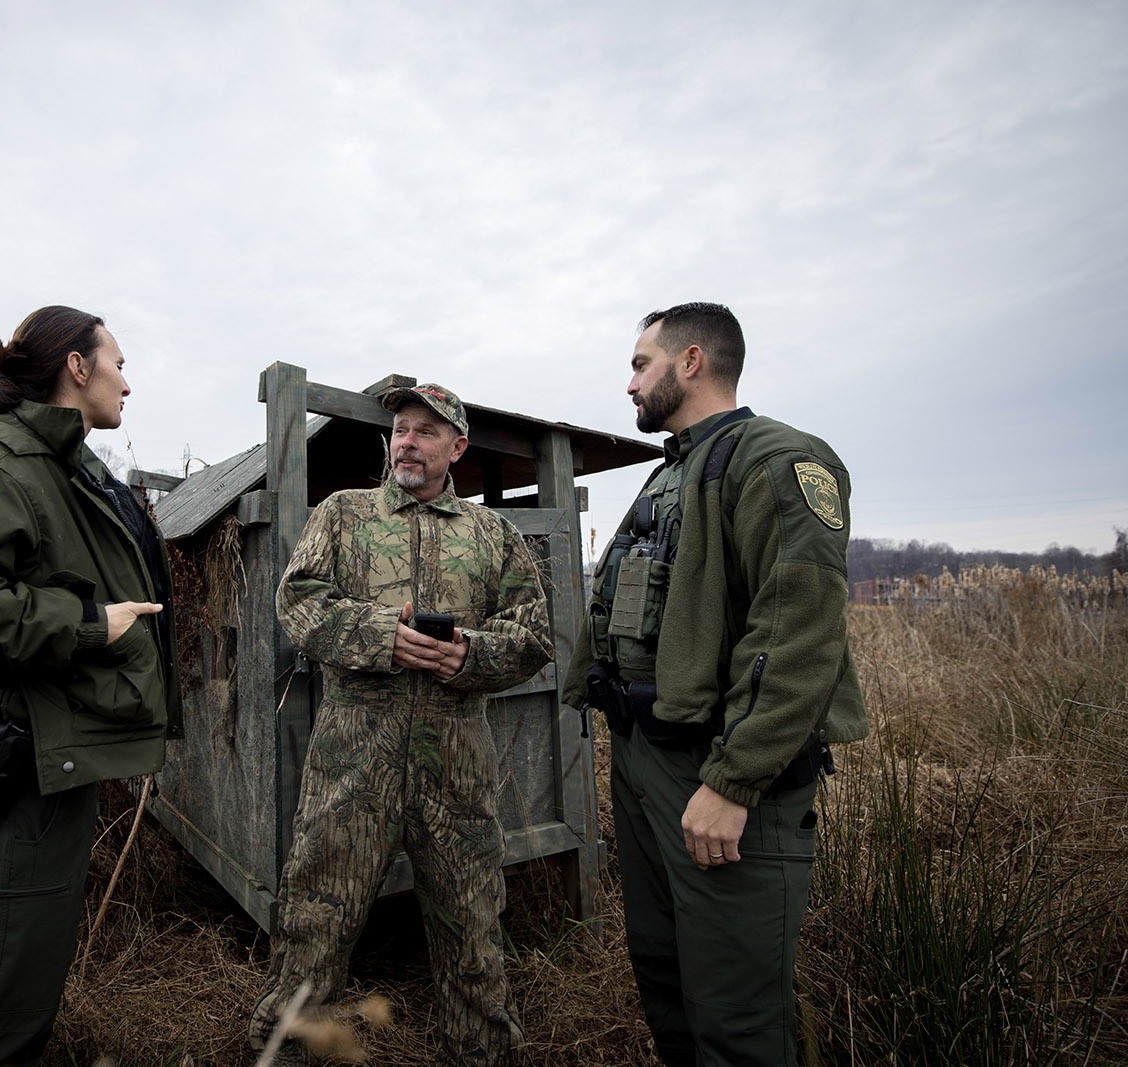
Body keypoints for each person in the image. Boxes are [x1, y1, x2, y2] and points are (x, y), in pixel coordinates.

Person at [563, 302, 869, 1066]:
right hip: (649, 763)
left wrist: (733, 782)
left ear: (691, 361)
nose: (629, 382)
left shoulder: (777, 460)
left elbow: (796, 633)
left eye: (641, 364)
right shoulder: (675, 470)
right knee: (667, 987)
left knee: (736, 1020)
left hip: (722, 777)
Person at [0, 305, 181, 1067]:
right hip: (19, 778)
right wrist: (86, 622)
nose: (128, 380)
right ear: (75, 368)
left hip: (54, 767)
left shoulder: (64, 463)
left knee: (20, 1000)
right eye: (117, 360)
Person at [248, 383, 554, 1067]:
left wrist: (467, 652)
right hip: (353, 767)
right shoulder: (345, 515)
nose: (408, 441)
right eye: (401, 430)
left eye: (425, 430)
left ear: (457, 446)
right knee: (314, 923)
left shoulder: (490, 533)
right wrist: (380, 636)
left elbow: (533, 634)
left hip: (456, 769)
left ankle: (482, 1055)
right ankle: (284, 1054)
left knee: (473, 928)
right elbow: (298, 600)